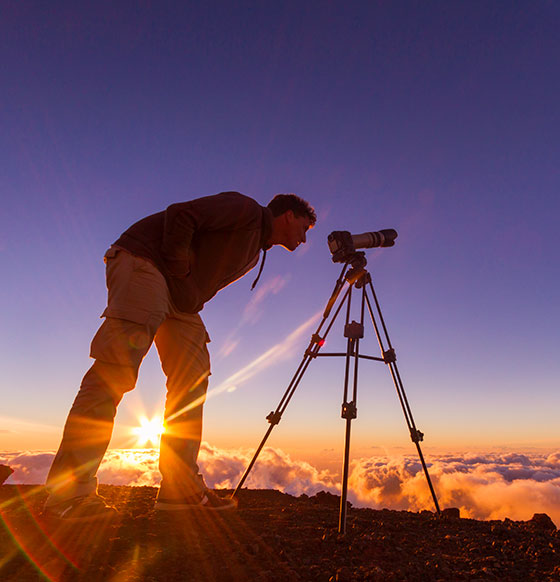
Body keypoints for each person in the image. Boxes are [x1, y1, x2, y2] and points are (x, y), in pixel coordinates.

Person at [44, 191, 316, 521]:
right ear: (287, 216)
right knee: (114, 371)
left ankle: (179, 490)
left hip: (177, 296)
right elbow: (181, 215)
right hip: (145, 264)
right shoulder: (244, 209)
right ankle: (69, 495)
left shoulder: (255, 250)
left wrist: (184, 287)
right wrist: (179, 268)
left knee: (193, 376)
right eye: (304, 228)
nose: (304, 239)